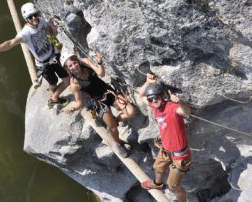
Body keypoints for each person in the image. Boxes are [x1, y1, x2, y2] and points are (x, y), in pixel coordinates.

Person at [0, 2, 70, 109]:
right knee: (53, 83)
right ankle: (55, 97)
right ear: (25, 19)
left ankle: (54, 98)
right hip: (44, 64)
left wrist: (54, 29)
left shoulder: (41, 21)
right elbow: (11, 43)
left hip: (54, 56)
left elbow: (50, 36)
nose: (34, 18)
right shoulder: (25, 33)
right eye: (30, 17)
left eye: (35, 14)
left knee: (67, 80)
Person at [60, 50, 136, 157]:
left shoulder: (85, 62)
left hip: (108, 92)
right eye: (70, 66)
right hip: (99, 103)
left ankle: (115, 120)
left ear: (77, 61)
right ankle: (118, 144)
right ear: (67, 68)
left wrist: (99, 62)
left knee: (131, 112)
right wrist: (72, 109)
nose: (74, 66)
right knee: (113, 128)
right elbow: (79, 103)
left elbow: (101, 73)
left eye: (74, 63)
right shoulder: (74, 84)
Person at [139, 73, 192, 202]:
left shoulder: (172, 108)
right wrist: (147, 82)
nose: (153, 101)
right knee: (157, 168)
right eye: (151, 99)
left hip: (180, 156)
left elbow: (186, 112)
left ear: (163, 97)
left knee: (173, 186)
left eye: (155, 98)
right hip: (165, 150)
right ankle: (158, 184)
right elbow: (141, 96)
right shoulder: (155, 106)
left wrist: (180, 101)